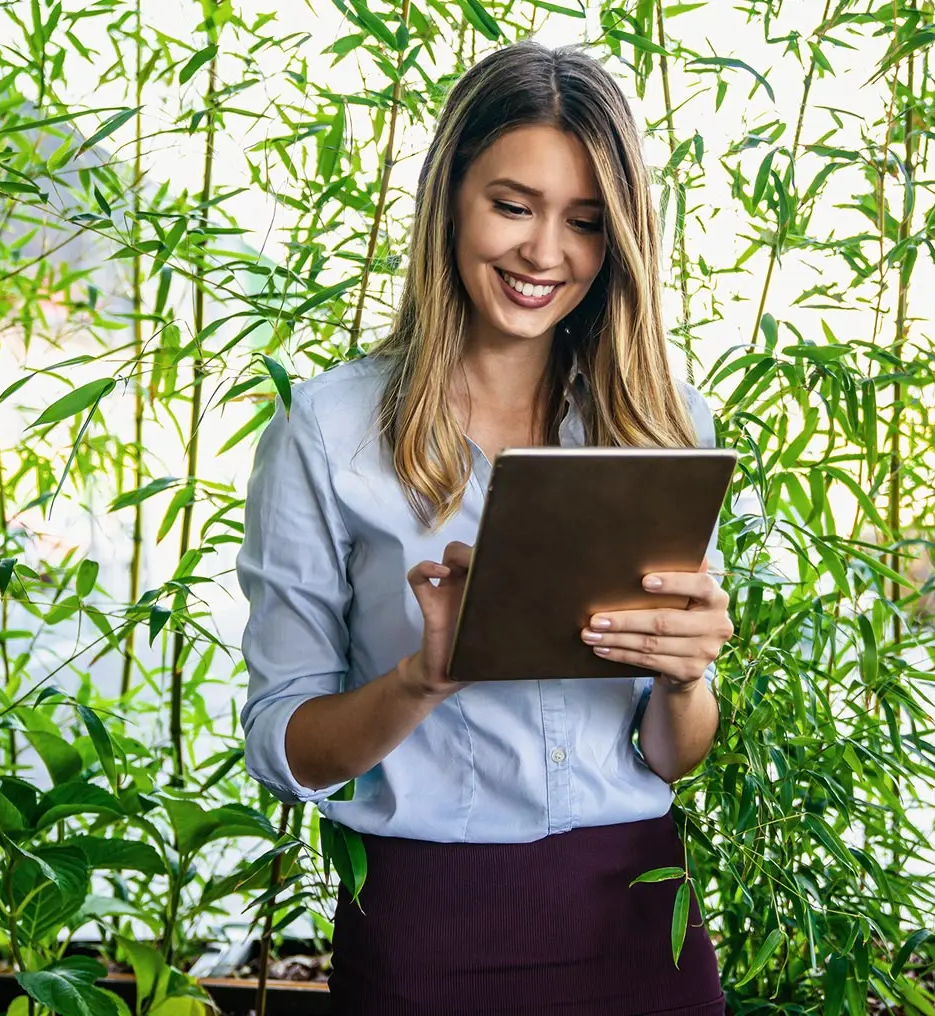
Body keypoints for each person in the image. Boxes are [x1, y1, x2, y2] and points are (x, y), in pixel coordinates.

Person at [237, 39, 734, 1016]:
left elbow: (674, 752)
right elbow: (282, 744)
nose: (545, 253)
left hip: (637, 908)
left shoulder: (662, 425)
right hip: (427, 919)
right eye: (512, 205)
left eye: (585, 222)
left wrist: (686, 675)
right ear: (449, 199)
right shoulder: (327, 430)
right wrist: (425, 676)